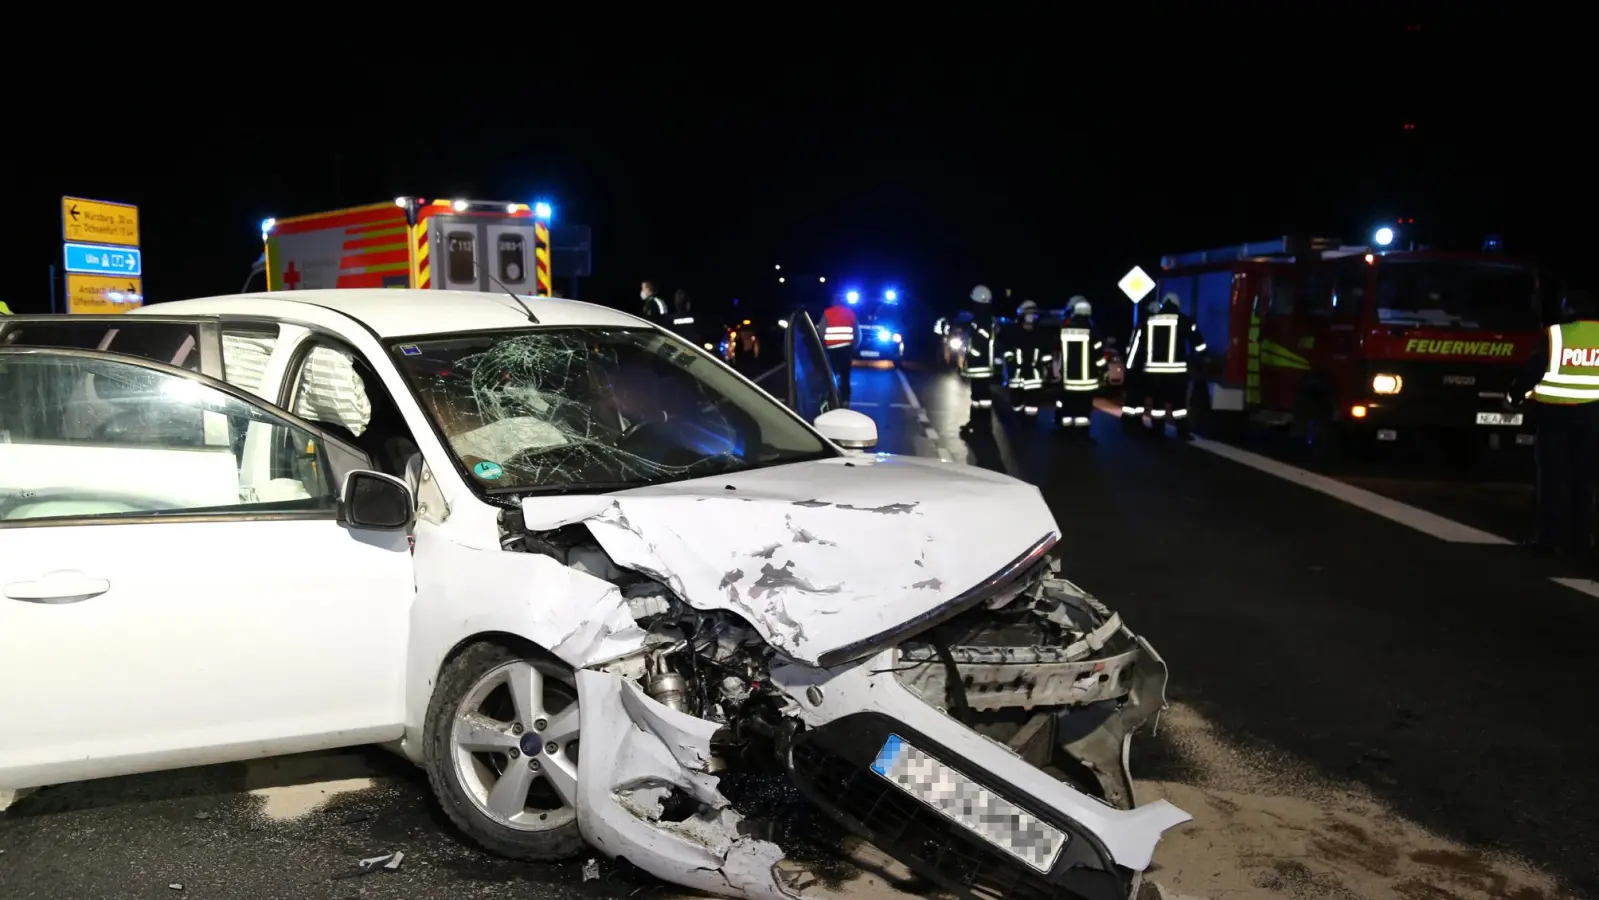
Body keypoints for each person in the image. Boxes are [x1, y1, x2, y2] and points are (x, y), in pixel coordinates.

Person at [1508, 286, 1599, 563]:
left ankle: (1549, 539)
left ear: (1567, 309)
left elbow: (1532, 372)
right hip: (1593, 420)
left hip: (1554, 418)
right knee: (1585, 482)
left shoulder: (1556, 335)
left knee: (1552, 480)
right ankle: (1581, 540)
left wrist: (1513, 397)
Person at [1125, 292, 1207, 439]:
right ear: (1177, 305)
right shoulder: (1184, 320)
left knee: (1158, 405)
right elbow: (1198, 342)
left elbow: (1137, 346)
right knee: (1179, 405)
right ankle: (1182, 433)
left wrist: (1130, 367)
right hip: (1177, 374)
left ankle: (1158, 431)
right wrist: (1204, 356)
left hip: (1154, 374)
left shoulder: (1149, 321)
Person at [1055, 295, 1106, 436]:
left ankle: (1066, 432)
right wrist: (1103, 370)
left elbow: (1059, 352)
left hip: (1068, 380)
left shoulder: (1064, 331)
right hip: (1087, 382)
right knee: (1083, 410)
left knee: (1068, 407)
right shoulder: (1093, 332)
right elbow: (1099, 357)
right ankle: (1081, 434)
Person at [956, 285, 999, 437]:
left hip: (981, 365)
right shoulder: (981, 319)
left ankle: (983, 425)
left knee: (982, 397)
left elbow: (982, 340)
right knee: (977, 397)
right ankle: (976, 423)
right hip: (979, 365)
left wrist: (970, 354)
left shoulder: (983, 320)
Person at [1001, 299, 1047, 418]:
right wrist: (1010, 362)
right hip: (1017, 376)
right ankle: (1018, 420)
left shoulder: (1041, 333)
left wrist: (1047, 367)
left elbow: (1046, 353)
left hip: (1034, 376)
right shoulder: (1013, 332)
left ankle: (1029, 424)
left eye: (1033, 315)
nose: (1031, 318)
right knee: (1016, 406)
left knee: (1032, 408)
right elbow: (1006, 349)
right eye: (1028, 314)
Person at [820, 291, 860, 407]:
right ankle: (845, 399)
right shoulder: (850, 313)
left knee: (830, 375)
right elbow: (857, 332)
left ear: (833, 302)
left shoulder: (827, 313)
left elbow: (821, 331)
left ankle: (830, 397)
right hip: (846, 349)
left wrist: (822, 346)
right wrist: (854, 347)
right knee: (845, 375)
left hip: (831, 350)